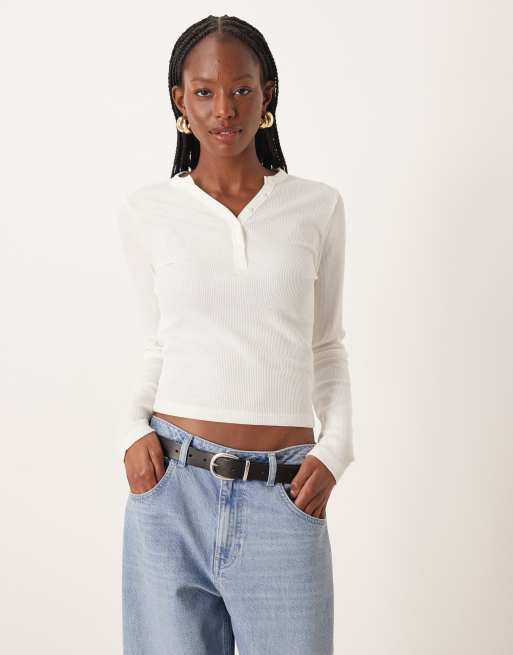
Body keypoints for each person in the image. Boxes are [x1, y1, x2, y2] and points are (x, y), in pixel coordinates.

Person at [117, 14, 354, 655]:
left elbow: (327, 345)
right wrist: (129, 432)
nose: (224, 109)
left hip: (286, 494)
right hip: (171, 488)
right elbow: (158, 342)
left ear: (267, 94)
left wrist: (335, 451)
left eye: (242, 89)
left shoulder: (317, 207)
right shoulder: (149, 211)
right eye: (204, 91)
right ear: (180, 100)